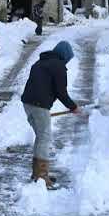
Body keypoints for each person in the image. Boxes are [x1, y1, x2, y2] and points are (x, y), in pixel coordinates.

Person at [21, 40, 81, 189]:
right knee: (44, 138)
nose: (67, 61)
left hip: (27, 104)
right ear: (64, 55)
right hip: (39, 106)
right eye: (68, 58)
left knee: (41, 137)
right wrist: (73, 107)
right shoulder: (59, 67)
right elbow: (61, 92)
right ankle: (41, 176)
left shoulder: (40, 63)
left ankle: (37, 174)